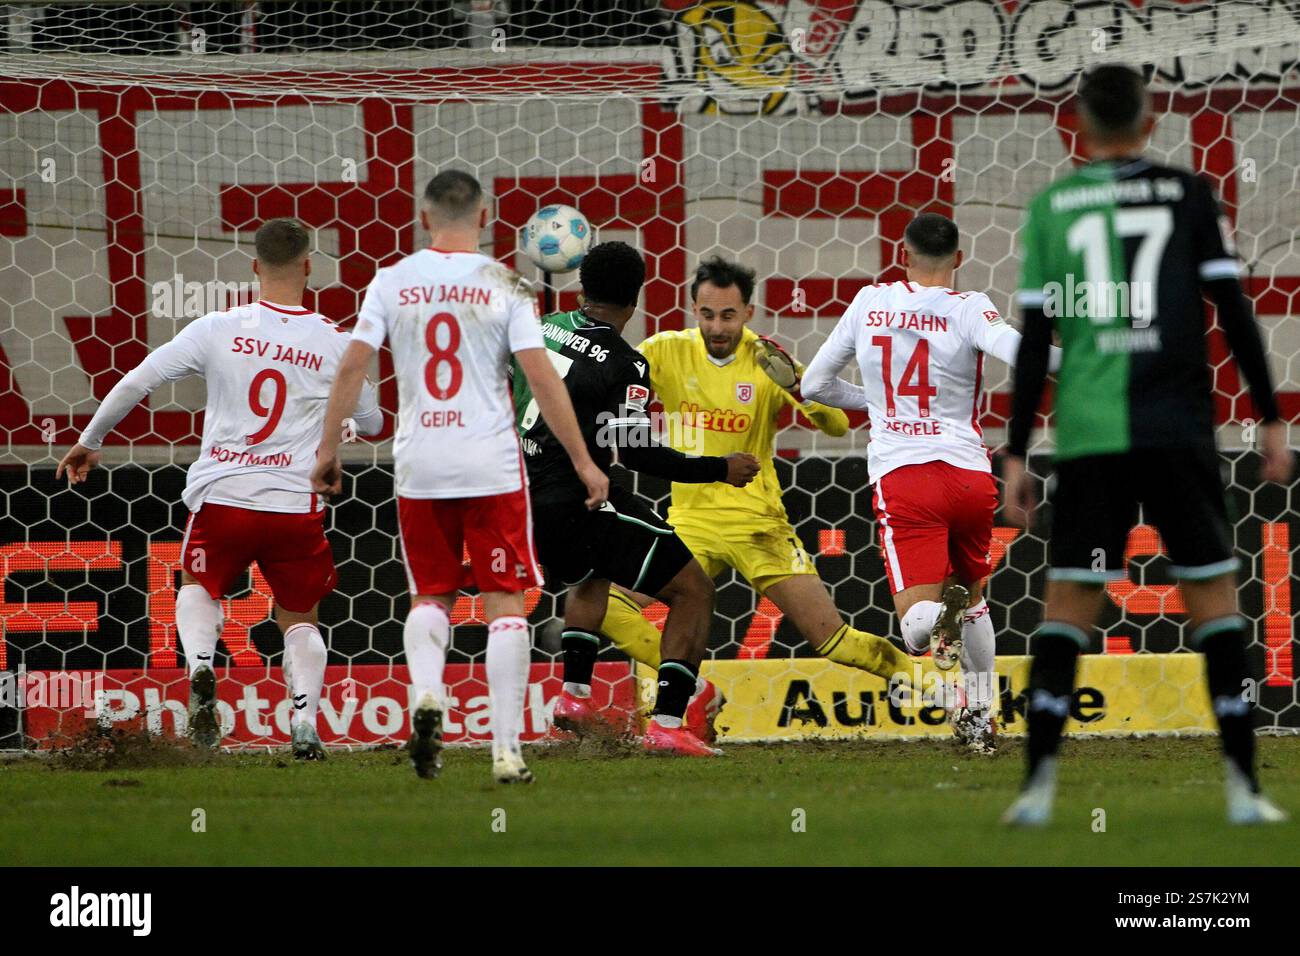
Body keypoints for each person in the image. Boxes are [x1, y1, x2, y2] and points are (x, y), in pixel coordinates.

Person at [1001, 65, 1293, 825]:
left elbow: (1036, 339)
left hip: (1091, 435)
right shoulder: (1189, 193)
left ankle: (1036, 791)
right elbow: (1232, 306)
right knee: (1215, 601)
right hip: (1177, 430)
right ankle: (1243, 789)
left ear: (1080, 126)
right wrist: (1269, 415)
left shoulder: (1054, 207)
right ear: (1150, 119)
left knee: (1069, 601)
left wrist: (1016, 452)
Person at [312, 171, 607, 784]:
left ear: (423, 218)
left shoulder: (391, 281)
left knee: (431, 595)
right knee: (505, 600)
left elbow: (352, 366)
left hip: (421, 461)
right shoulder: (508, 283)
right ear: (486, 216)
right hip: (491, 461)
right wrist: (582, 460)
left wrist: (326, 448)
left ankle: (426, 696)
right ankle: (505, 752)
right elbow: (543, 378)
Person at [58, 217, 383, 759]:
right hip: (291, 505)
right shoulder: (335, 342)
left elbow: (140, 380)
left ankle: (203, 667)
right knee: (299, 616)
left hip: (224, 497)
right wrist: (342, 421)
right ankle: (304, 726)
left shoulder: (217, 327)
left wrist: (90, 440)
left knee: (197, 584)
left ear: (255, 267)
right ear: (309, 267)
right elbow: (374, 423)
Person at [576, 255, 927, 744]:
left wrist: (796, 387)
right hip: (692, 523)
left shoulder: (766, 358)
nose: (717, 326)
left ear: (748, 312)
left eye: (728, 315)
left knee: (833, 641)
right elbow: (611, 378)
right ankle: (693, 686)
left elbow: (839, 424)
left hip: (759, 525)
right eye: (707, 314)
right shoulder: (663, 351)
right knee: (610, 607)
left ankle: (927, 682)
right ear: (693, 309)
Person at [802, 213, 1060, 753]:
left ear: (903, 254)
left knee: (916, 628)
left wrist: (876, 406)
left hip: (906, 480)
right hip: (970, 479)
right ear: (959, 260)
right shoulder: (969, 308)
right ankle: (980, 716)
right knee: (976, 604)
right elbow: (1028, 357)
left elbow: (814, 385)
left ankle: (936, 622)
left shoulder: (870, 303)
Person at [515, 241, 760, 756]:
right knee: (693, 590)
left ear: (582, 288)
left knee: (591, 573)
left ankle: (574, 697)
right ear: (636, 299)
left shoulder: (542, 328)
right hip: (576, 499)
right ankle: (668, 722)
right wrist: (721, 467)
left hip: (520, 499)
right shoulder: (626, 364)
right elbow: (636, 452)